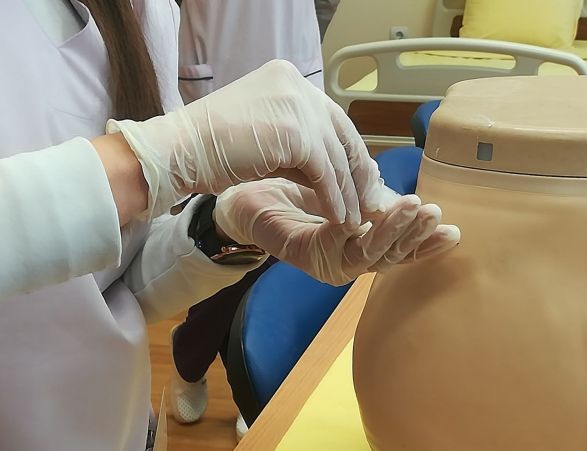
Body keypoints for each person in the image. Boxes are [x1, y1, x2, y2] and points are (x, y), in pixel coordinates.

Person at [0, 1, 459, 449]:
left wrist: (224, 228)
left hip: (118, 421)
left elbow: (99, 291)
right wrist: (146, 162)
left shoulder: (144, 13)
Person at [168, 0, 340, 433]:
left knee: (282, 230)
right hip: (212, 58)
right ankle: (198, 361)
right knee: (221, 232)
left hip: (290, 50)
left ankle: (243, 378)